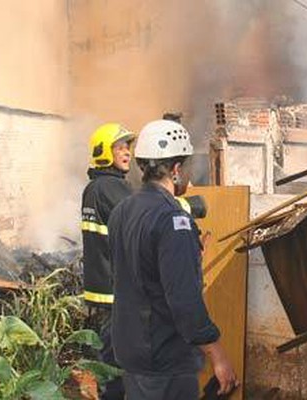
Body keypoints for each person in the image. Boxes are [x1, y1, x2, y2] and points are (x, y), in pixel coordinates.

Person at [108, 119, 238, 399]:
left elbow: (134, 275)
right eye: (187, 167)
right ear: (177, 170)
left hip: (130, 350)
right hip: (163, 355)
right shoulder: (173, 218)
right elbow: (184, 299)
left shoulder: (121, 211)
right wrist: (218, 355)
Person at [81, 122, 135, 400]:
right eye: (120, 148)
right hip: (114, 291)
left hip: (102, 290)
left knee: (108, 360)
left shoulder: (94, 187)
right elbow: (147, 212)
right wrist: (192, 206)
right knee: (114, 367)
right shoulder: (111, 187)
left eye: (128, 147)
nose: (127, 153)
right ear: (104, 152)